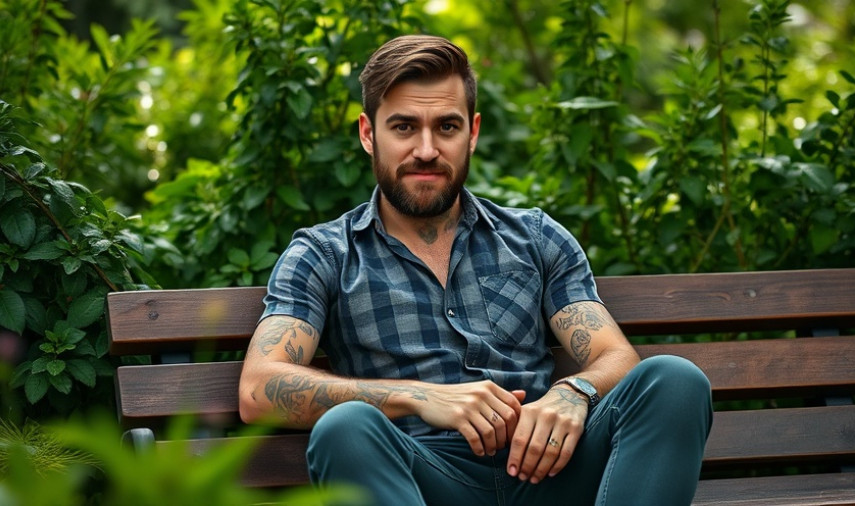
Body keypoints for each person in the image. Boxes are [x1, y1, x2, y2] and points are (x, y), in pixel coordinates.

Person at [238, 34, 713, 506]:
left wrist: (574, 392)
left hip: (548, 472)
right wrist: (419, 397)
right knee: (345, 429)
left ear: (473, 132)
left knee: (674, 381)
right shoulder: (324, 254)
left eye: (446, 127)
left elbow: (616, 356)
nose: (426, 150)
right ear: (368, 134)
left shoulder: (536, 238)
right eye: (403, 127)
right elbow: (259, 390)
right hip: (423, 477)